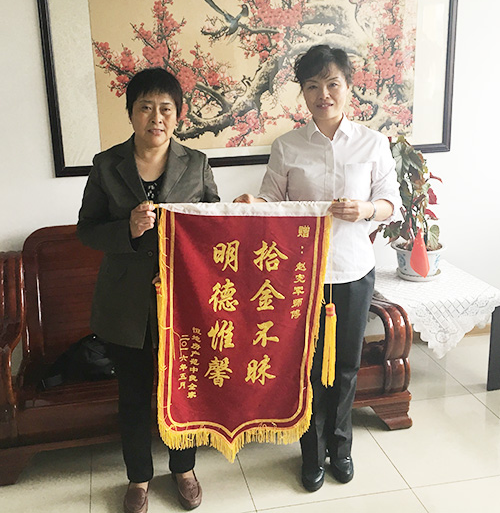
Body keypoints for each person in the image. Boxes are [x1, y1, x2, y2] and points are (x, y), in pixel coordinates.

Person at [234, 45, 401, 492]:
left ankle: (341, 447)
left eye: (331, 84)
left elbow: (392, 203)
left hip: (352, 271)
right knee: (305, 367)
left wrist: (366, 209)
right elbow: (272, 199)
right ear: (303, 93)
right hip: (299, 275)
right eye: (312, 86)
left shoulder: (373, 143)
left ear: (348, 87)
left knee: (345, 365)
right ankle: (311, 453)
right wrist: (254, 202)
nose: (322, 94)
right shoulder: (287, 146)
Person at [78, 68, 219, 513]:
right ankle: (138, 478)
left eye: (165, 109)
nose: (156, 118)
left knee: (184, 389)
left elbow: (214, 226)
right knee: (135, 396)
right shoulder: (106, 165)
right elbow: (87, 230)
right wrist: (129, 229)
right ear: (131, 113)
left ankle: (184, 469)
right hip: (126, 306)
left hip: (183, 302)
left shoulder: (196, 163)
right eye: (145, 107)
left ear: (179, 115)